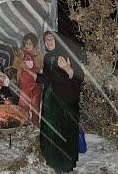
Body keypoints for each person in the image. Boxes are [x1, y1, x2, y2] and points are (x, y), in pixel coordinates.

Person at [23, 31, 84, 173]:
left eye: (51, 39)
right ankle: (52, 158)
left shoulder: (67, 55)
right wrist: (34, 75)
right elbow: (48, 79)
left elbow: (80, 77)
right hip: (50, 100)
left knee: (64, 131)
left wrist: (69, 69)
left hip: (65, 101)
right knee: (51, 130)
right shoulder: (47, 57)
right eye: (46, 40)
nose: (48, 42)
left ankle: (64, 164)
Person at [13, 33, 43, 127]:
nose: (28, 46)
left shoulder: (39, 54)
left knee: (35, 105)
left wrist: (36, 68)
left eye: (30, 43)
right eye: (26, 43)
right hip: (24, 84)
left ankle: (35, 123)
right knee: (23, 104)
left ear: (34, 44)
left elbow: (42, 68)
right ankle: (23, 122)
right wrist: (20, 63)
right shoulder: (20, 54)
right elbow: (14, 65)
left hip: (35, 84)